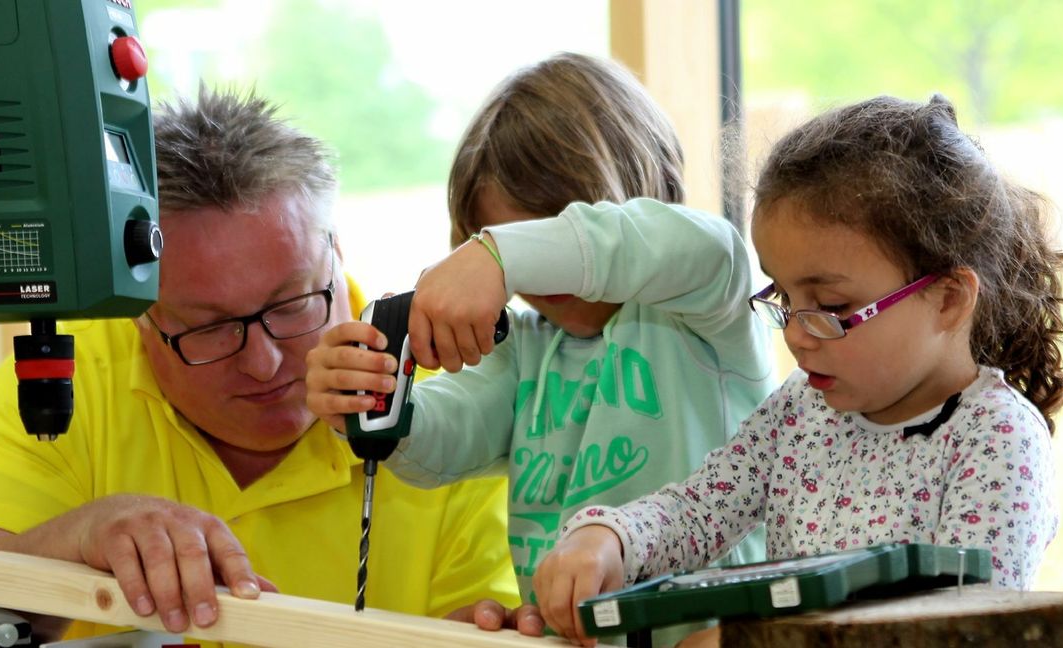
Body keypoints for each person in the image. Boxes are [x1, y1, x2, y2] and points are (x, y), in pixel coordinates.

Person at [0, 87, 519, 642]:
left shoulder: (453, 399)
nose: (263, 362)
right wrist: (76, 540)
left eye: (291, 304)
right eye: (209, 327)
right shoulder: (66, 384)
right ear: (140, 316)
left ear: (336, 256)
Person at [530, 94, 1063, 644]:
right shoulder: (802, 408)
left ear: (947, 299)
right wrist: (608, 539)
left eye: (833, 307)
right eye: (783, 296)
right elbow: (697, 511)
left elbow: (960, 633)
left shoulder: (996, 438)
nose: (797, 333)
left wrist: (747, 643)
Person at [305, 52, 773, 640]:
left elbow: (683, 244)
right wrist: (374, 404)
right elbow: (448, 434)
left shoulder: (707, 300)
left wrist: (502, 254)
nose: (540, 283)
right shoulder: (527, 346)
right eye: (496, 240)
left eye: (545, 239)